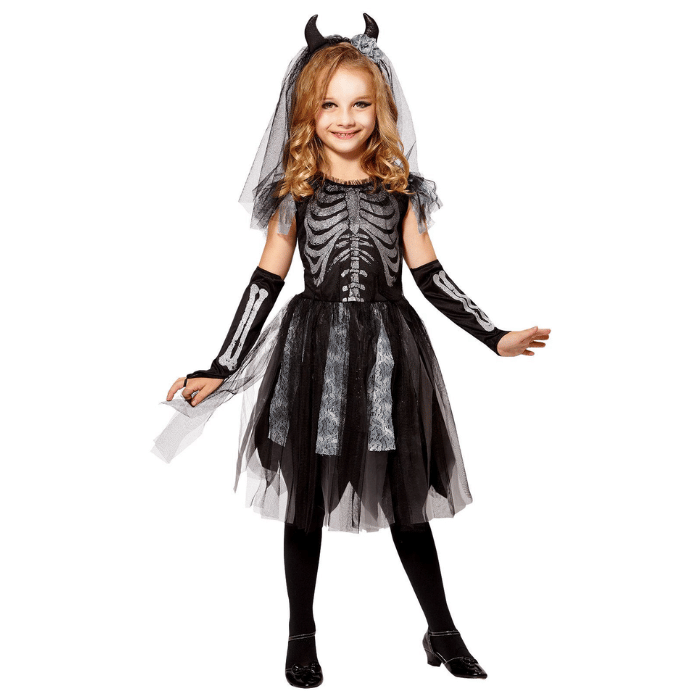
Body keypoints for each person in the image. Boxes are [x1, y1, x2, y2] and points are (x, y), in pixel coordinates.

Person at [152, 13, 550, 689]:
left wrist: (494, 335)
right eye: (329, 104)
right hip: (310, 360)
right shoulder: (295, 193)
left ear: (381, 107)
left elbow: (431, 276)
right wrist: (221, 367)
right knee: (304, 500)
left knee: (407, 500)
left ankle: (441, 628)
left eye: (360, 103)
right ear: (306, 112)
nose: (345, 118)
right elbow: (264, 282)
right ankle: (300, 633)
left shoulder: (402, 192)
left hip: (389, 359)